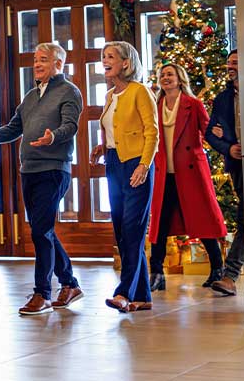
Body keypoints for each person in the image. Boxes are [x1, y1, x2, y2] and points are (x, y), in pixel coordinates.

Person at [0, 42, 84, 315]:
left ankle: (43, 294)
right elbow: (13, 129)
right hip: (29, 170)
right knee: (43, 229)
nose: (36, 64)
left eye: (43, 60)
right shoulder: (30, 96)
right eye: (35, 60)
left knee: (40, 231)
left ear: (58, 64)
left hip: (54, 169)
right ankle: (70, 284)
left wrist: (53, 136)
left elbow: (70, 125)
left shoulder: (69, 91)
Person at [90, 41, 158, 313]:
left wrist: (144, 165)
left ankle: (123, 293)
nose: (104, 61)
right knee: (122, 231)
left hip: (137, 165)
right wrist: (102, 146)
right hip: (114, 164)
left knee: (132, 229)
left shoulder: (140, 91)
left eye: (110, 57)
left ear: (126, 63)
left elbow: (151, 132)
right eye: (103, 57)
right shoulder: (110, 95)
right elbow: (112, 127)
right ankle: (143, 296)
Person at [148, 63, 227, 292]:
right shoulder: (156, 104)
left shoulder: (193, 104)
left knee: (201, 221)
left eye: (170, 74)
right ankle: (156, 273)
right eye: (163, 75)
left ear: (180, 79)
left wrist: (222, 135)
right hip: (165, 173)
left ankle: (217, 269)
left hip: (191, 172)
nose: (165, 78)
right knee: (159, 224)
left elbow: (208, 130)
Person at [205, 49, 242, 296]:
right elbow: (209, 133)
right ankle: (229, 276)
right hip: (239, 165)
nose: (230, 66)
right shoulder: (222, 99)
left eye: (236, 63)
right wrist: (229, 148)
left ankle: (230, 275)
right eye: (229, 62)